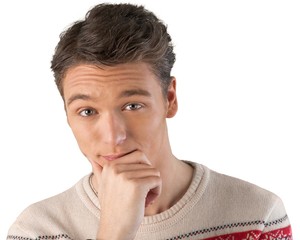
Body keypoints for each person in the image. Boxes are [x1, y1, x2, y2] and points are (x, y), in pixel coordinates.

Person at [7, 3, 292, 240]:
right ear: (67, 115)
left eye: (132, 105)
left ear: (170, 98)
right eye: (87, 111)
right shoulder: (37, 230)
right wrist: (115, 230)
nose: (112, 136)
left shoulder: (257, 216)